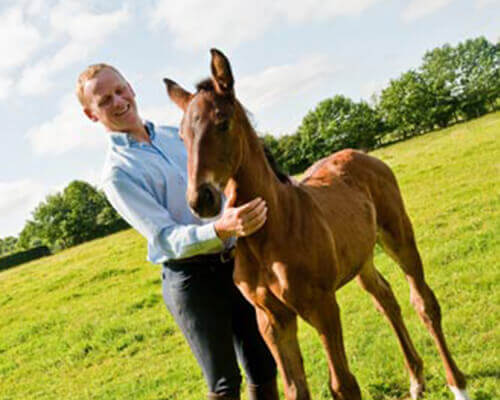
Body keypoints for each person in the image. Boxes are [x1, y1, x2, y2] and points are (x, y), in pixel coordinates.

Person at [76, 64, 278, 400]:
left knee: (264, 365)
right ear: (91, 114)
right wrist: (220, 228)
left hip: (237, 263)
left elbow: (226, 177)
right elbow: (165, 238)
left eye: (119, 90)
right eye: (104, 99)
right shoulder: (118, 174)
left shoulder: (180, 135)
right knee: (225, 383)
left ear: (131, 87)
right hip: (192, 281)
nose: (117, 101)